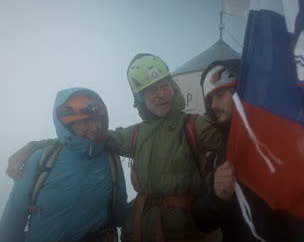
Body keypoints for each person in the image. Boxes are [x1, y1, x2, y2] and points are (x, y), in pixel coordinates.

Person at [6, 54, 223, 242]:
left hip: (183, 232)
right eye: (151, 90)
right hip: (138, 231)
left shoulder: (196, 125)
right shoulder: (135, 134)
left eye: (165, 85)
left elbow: (233, 144)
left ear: (173, 88)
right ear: (139, 98)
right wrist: (34, 146)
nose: (161, 94)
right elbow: (85, 138)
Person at [192, 59, 304, 242]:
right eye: (209, 100)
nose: (213, 106)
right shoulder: (218, 156)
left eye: (220, 95)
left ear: (240, 93)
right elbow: (202, 221)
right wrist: (216, 198)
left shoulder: (281, 141)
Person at [0, 87, 128, 242]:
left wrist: (153, 202)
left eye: (98, 119)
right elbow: (13, 220)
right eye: (85, 121)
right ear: (68, 125)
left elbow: (121, 215)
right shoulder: (41, 159)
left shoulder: (110, 160)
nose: (95, 128)